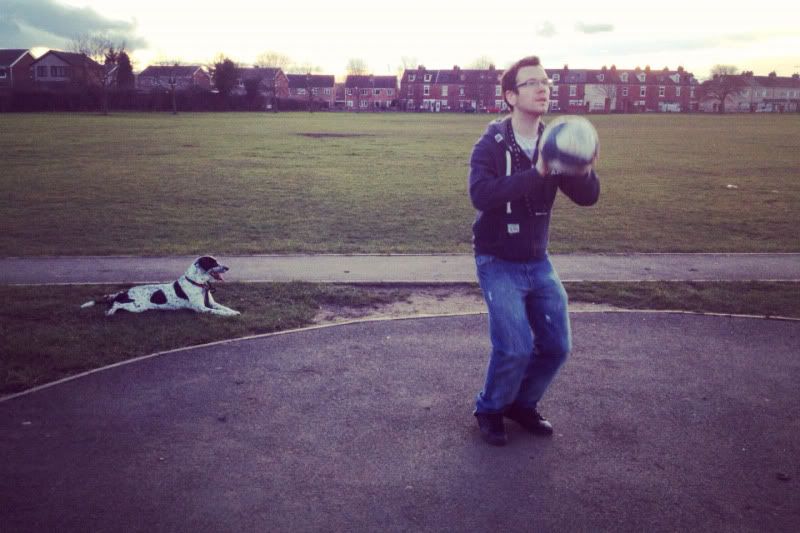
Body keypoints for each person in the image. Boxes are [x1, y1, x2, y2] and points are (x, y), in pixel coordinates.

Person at [468, 56, 600, 446]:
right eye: (531, 83)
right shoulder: (491, 143)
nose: (543, 88)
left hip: (537, 260)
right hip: (497, 259)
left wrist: (584, 169)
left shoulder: (556, 141)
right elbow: (481, 195)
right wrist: (537, 173)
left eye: (545, 81)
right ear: (510, 96)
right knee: (514, 347)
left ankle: (521, 404)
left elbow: (588, 197)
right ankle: (490, 408)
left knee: (557, 346)